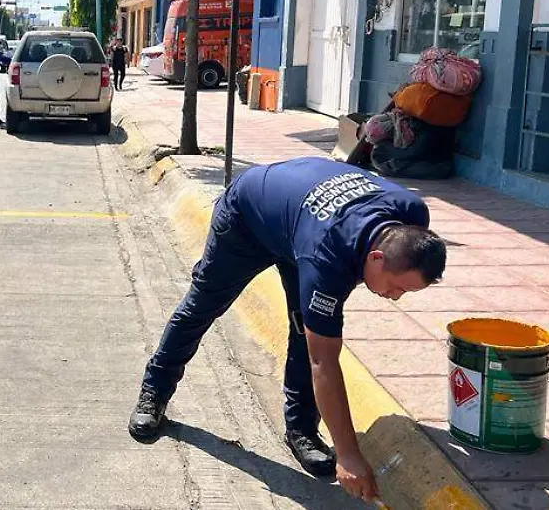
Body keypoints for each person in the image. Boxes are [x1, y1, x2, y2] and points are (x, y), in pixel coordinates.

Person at [128, 157, 446, 503]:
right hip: (248, 218)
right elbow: (323, 361)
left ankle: (301, 430)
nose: (394, 297)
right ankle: (153, 393)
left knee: (303, 327)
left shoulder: (412, 216)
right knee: (201, 308)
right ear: (377, 258)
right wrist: (349, 453)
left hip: (301, 223)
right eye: (396, 287)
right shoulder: (328, 257)